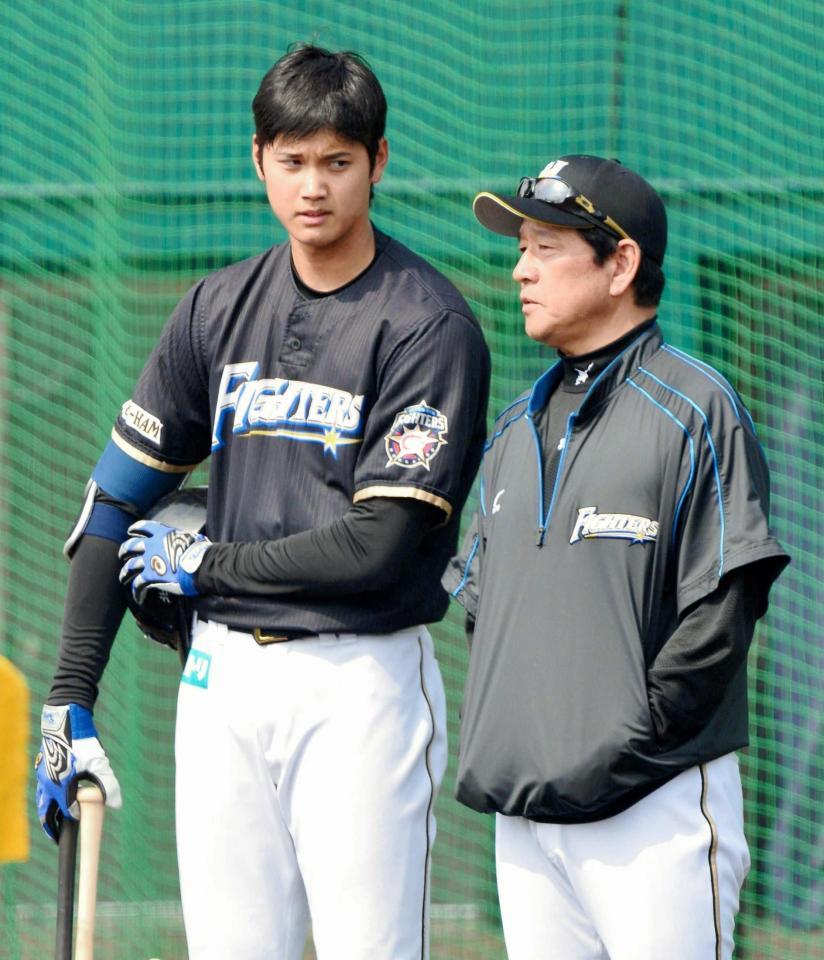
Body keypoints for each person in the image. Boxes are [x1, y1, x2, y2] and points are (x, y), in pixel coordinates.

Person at [35, 44, 490, 960]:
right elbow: (114, 500)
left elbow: (378, 546)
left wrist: (208, 564)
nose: (312, 186)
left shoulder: (427, 324)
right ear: (258, 160)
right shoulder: (215, 308)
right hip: (221, 683)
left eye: (336, 161)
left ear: (379, 161)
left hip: (357, 681)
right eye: (291, 160)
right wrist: (68, 699)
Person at [443, 155, 789, 960]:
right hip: (526, 822)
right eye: (520, 248)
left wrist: (624, 743)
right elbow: (483, 610)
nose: (521, 270)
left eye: (545, 248)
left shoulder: (696, 407)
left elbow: (723, 612)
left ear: (621, 261)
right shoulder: (510, 430)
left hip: (652, 811)